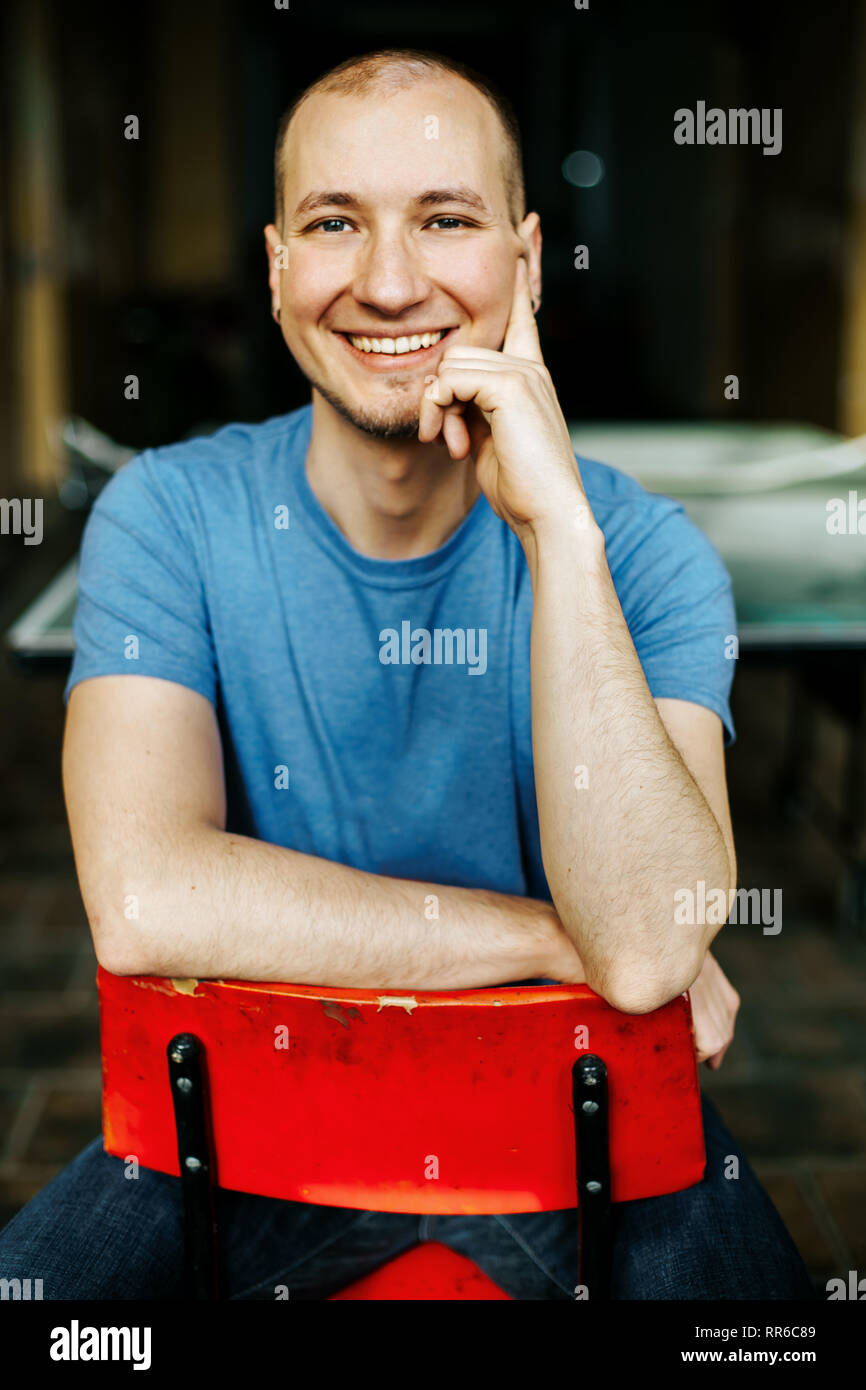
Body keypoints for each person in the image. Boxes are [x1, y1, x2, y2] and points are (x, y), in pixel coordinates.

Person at [0, 48, 815, 1300]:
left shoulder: (638, 552)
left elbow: (648, 948)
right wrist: (554, 941)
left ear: (526, 261)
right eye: (335, 223)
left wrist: (556, 536)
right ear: (277, 264)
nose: (387, 284)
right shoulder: (165, 514)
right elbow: (147, 895)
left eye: (444, 219)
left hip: (579, 1137)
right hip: (238, 1135)